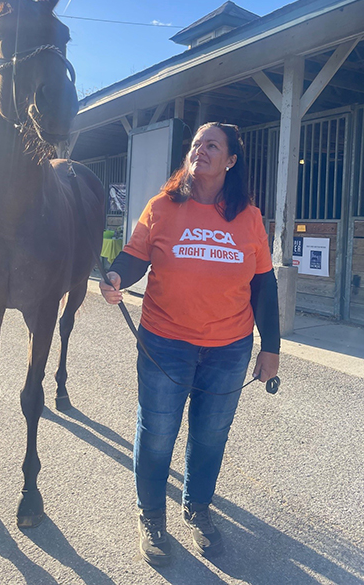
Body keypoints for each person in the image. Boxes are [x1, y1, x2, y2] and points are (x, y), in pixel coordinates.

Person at [99, 122, 280, 566]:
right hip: (166, 343)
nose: (201, 150)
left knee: (210, 435)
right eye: (197, 144)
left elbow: (264, 285)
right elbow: (136, 256)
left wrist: (270, 348)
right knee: (157, 432)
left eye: (212, 145)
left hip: (229, 347)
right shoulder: (162, 206)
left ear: (231, 160)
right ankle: (152, 515)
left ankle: (198, 508)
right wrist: (118, 275)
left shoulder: (249, 217)